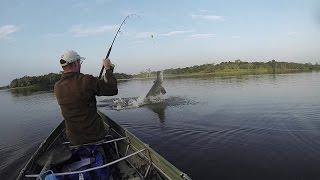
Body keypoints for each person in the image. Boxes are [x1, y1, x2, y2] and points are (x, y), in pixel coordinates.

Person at [54, 50, 118, 145]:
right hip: (94, 136)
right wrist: (108, 69)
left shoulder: (57, 86)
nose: (80, 65)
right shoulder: (86, 81)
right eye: (79, 62)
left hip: (74, 139)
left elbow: (83, 91)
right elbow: (112, 89)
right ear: (75, 63)